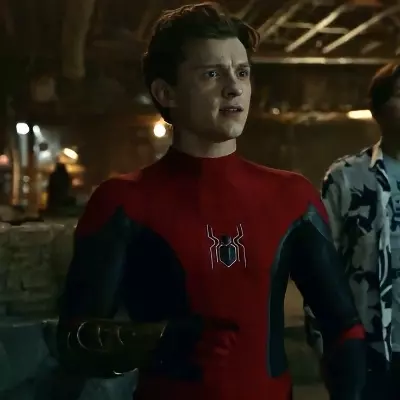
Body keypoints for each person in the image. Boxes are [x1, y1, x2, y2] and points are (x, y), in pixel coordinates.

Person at [57, 3, 366, 400]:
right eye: (211, 73)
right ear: (165, 92)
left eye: (242, 72)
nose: (234, 87)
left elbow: (343, 327)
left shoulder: (292, 196)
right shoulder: (123, 201)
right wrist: (161, 339)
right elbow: (74, 341)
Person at [304, 63, 400, 399]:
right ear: (378, 110)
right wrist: (327, 349)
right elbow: (319, 270)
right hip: (369, 353)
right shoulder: (346, 177)